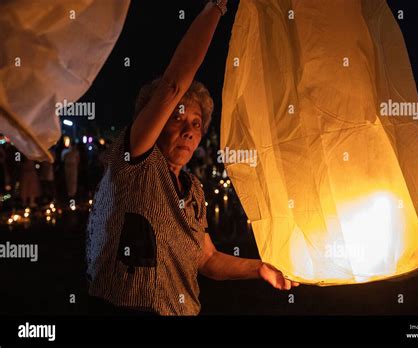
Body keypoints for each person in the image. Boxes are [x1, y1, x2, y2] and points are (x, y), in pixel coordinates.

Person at [86, 0, 298, 316]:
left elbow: (207, 258)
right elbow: (173, 85)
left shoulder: (193, 190)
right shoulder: (136, 162)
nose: (188, 131)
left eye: (196, 124)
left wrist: (260, 268)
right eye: (177, 119)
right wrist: (216, 7)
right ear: (153, 121)